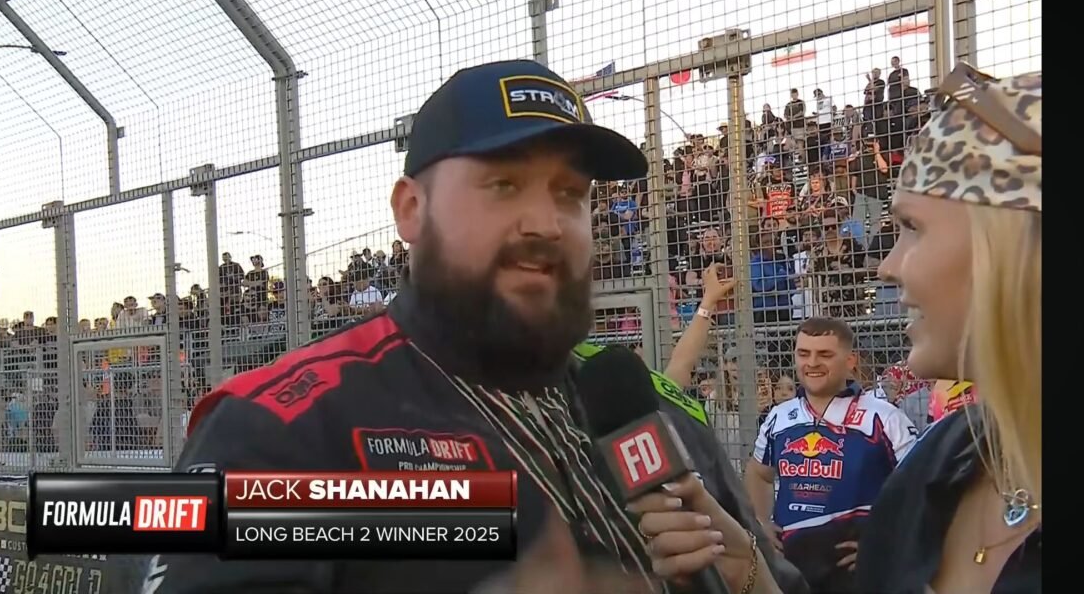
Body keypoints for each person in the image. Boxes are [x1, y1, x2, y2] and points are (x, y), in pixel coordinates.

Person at [142, 59, 804, 594]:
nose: (545, 223)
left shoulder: (650, 413)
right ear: (410, 209)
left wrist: (743, 574)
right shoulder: (283, 427)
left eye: (569, 193)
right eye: (503, 185)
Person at [856, 64, 1042, 594]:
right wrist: (747, 573)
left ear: (1016, 246)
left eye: (912, 228)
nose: (887, 266)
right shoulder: (944, 453)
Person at [743, 317, 916, 593]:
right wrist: (760, 523)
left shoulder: (884, 418)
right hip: (791, 574)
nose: (812, 363)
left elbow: (920, 489)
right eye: (804, 353)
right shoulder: (779, 417)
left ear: (850, 361)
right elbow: (758, 472)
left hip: (859, 578)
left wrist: (886, 542)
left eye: (824, 354)